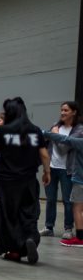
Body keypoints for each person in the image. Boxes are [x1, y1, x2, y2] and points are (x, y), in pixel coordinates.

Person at [0, 97, 50, 263]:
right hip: (29, 180)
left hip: (8, 181)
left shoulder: (2, 131)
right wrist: (47, 172)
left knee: (9, 215)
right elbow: (44, 154)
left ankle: (14, 250)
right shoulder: (35, 130)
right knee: (29, 213)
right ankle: (30, 238)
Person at [42, 102, 82, 238]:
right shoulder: (56, 125)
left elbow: (64, 148)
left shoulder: (79, 129)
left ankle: (68, 229)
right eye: (61, 110)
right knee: (50, 199)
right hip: (52, 168)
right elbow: (45, 141)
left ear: (74, 112)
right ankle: (48, 227)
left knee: (67, 200)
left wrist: (54, 134)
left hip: (67, 170)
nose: (62, 113)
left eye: (66, 110)